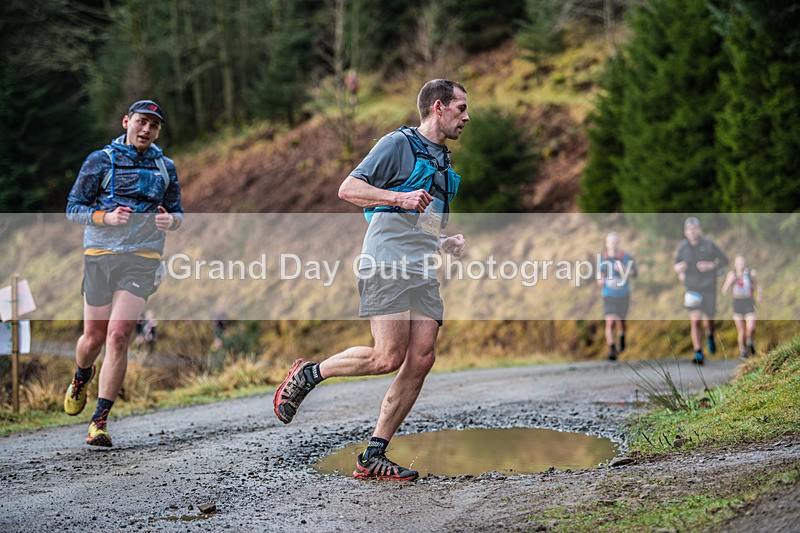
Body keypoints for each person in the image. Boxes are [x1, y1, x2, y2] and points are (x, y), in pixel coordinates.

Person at [273, 79, 469, 481]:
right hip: (386, 261)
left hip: (421, 265)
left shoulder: (443, 160)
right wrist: (398, 197)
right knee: (387, 356)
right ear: (438, 107)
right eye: (461, 108)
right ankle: (308, 374)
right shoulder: (397, 144)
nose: (467, 117)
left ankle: (373, 455)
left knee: (422, 358)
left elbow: (422, 217)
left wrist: (444, 239)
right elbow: (348, 189)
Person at [64, 100, 183, 447]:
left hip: (142, 259)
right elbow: (74, 208)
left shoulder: (165, 167)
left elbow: (177, 212)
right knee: (93, 339)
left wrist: (170, 221)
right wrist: (106, 217)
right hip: (100, 255)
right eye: (142, 123)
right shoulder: (100, 160)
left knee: (118, 336)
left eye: (154, 126)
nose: (147, 130)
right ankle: (81, 376)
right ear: (127, 122)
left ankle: (98, 422)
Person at [674, 217, 728, 365]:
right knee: (695, 321)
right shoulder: (682, 247)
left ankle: (710, 335)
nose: (692, 231)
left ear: (699, 230)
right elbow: (677, 264)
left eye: (694, 228)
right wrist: (679, 270)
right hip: (692, 288)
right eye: (689, 229)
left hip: (709, 287)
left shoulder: (709, 244)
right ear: (685, 232)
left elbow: (724, 261)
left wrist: (712, 265)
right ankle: (698, 351)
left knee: (708, 322)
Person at [596, 232, 637, 361]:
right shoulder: (602, 259)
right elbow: (599, 275)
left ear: (619, 243)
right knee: (610, 321)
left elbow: (634, 273)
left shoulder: (626, 257)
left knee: (621, 322)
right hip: (609, 294)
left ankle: (621, 335)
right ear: (606, 244)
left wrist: (624, 269)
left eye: (615, 242)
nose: (613, 244)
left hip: (623, 294)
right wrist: (600, 279)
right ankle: (612, 349)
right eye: (610, 242)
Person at [721, 255, 761, 360]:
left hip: (748, 303)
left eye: (742, 263)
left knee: (751, 327)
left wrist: (759, 295)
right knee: (741, 331)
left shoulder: (750, 274)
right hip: (737, 304)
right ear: (735, 264)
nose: (741, 265)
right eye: (738, 263)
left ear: (745, 263)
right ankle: (743, 350)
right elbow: (724, 290)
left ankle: (750, 340)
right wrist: (730, 282)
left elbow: (757, 286)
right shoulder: (732, 275)